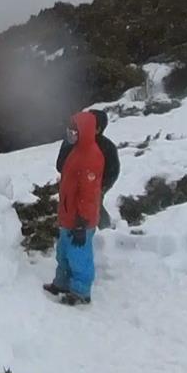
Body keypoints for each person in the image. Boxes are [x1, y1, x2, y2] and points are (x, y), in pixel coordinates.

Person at [44, 112, 105, 306]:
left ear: (84, 132)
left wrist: (82, 223)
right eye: (69, 130)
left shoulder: (91, 157)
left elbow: (89, 195)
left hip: (80, 221)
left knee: (79, 257)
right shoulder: (76, 149)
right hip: (68, 215)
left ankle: (80, 291)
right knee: (63, 252)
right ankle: (62, 283)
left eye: (74, 131)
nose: (70, 134)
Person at [56, 109, 119, 229]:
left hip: (95, 185)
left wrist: (99, 186)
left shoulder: (107, 147)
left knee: (94, 204)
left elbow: (113, 171)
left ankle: (105, 230)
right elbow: (60, 165)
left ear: (98, 129)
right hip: (72, 184)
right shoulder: (72, 141)